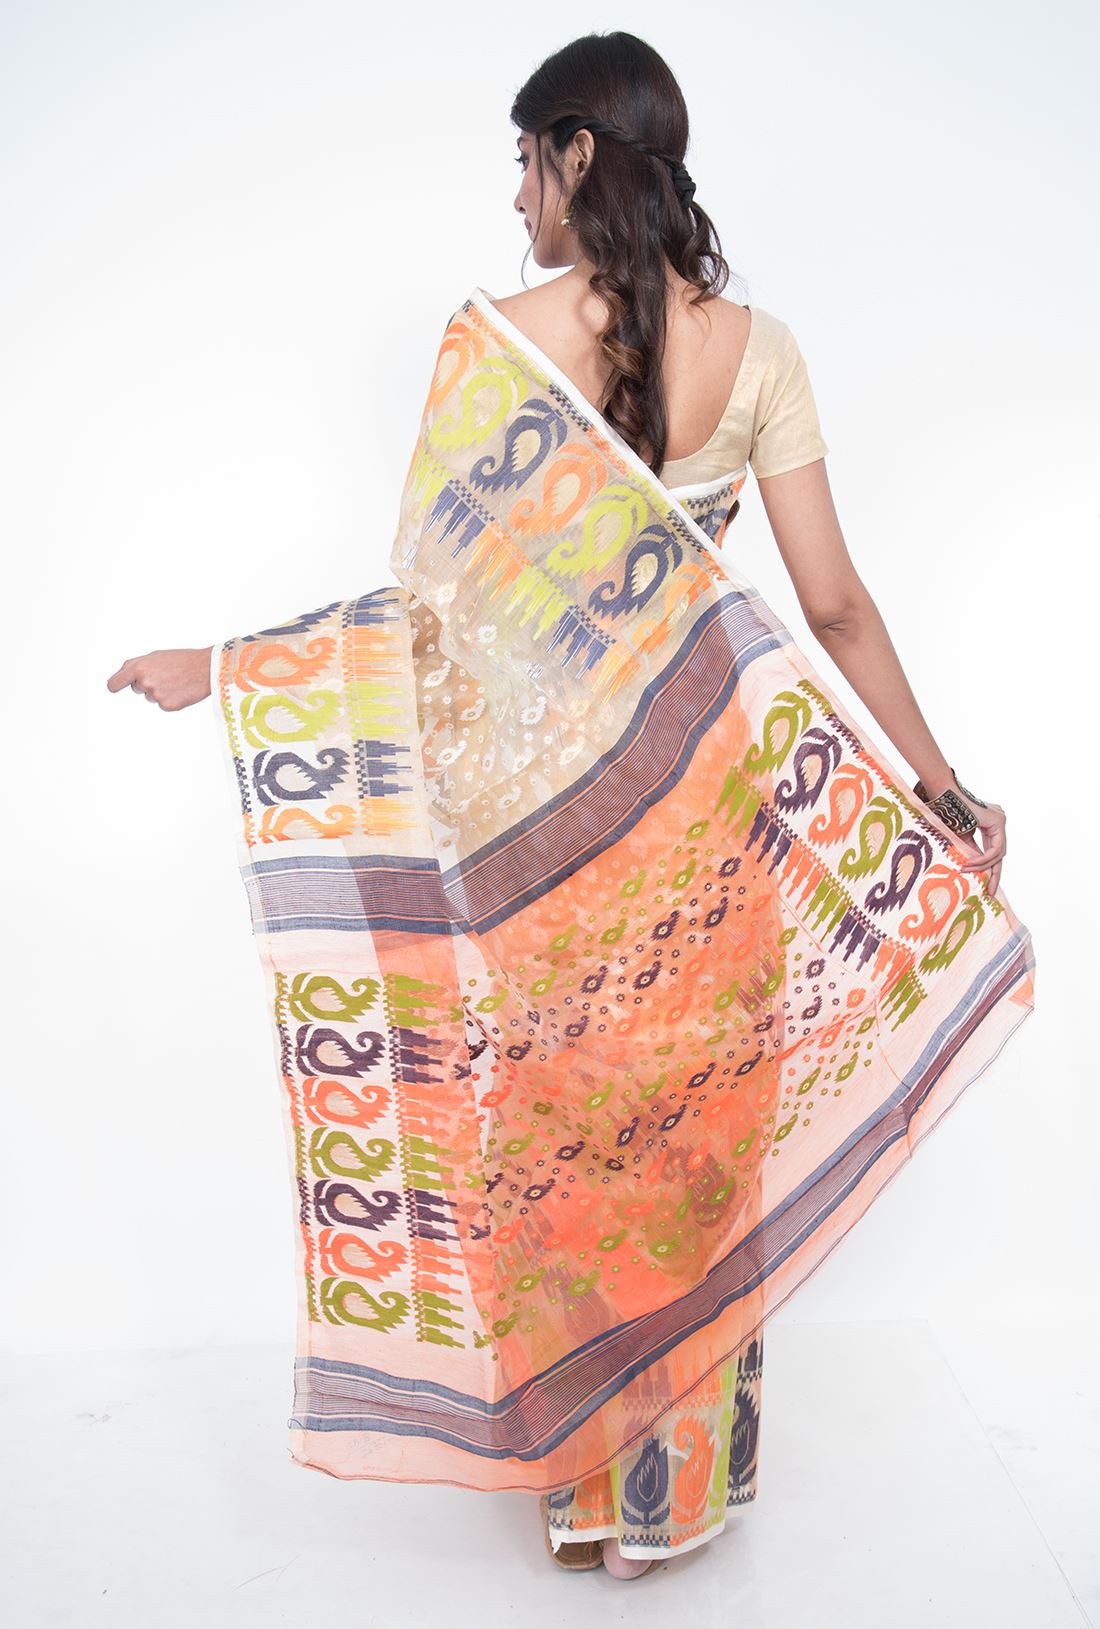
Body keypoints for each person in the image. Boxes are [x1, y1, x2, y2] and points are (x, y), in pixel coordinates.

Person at [107, 30, 1028, 1586]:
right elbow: (836, 607)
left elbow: (424, 617)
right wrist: (940, 789)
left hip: (556, 860)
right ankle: (671, 1506)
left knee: (584, 1158)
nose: (515, 195)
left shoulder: (497, 348)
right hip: (715, 842)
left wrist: (230, 669)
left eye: (525, 160)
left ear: (577, 154)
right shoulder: (762, 352)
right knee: (694, 1163)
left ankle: (587, 1499)